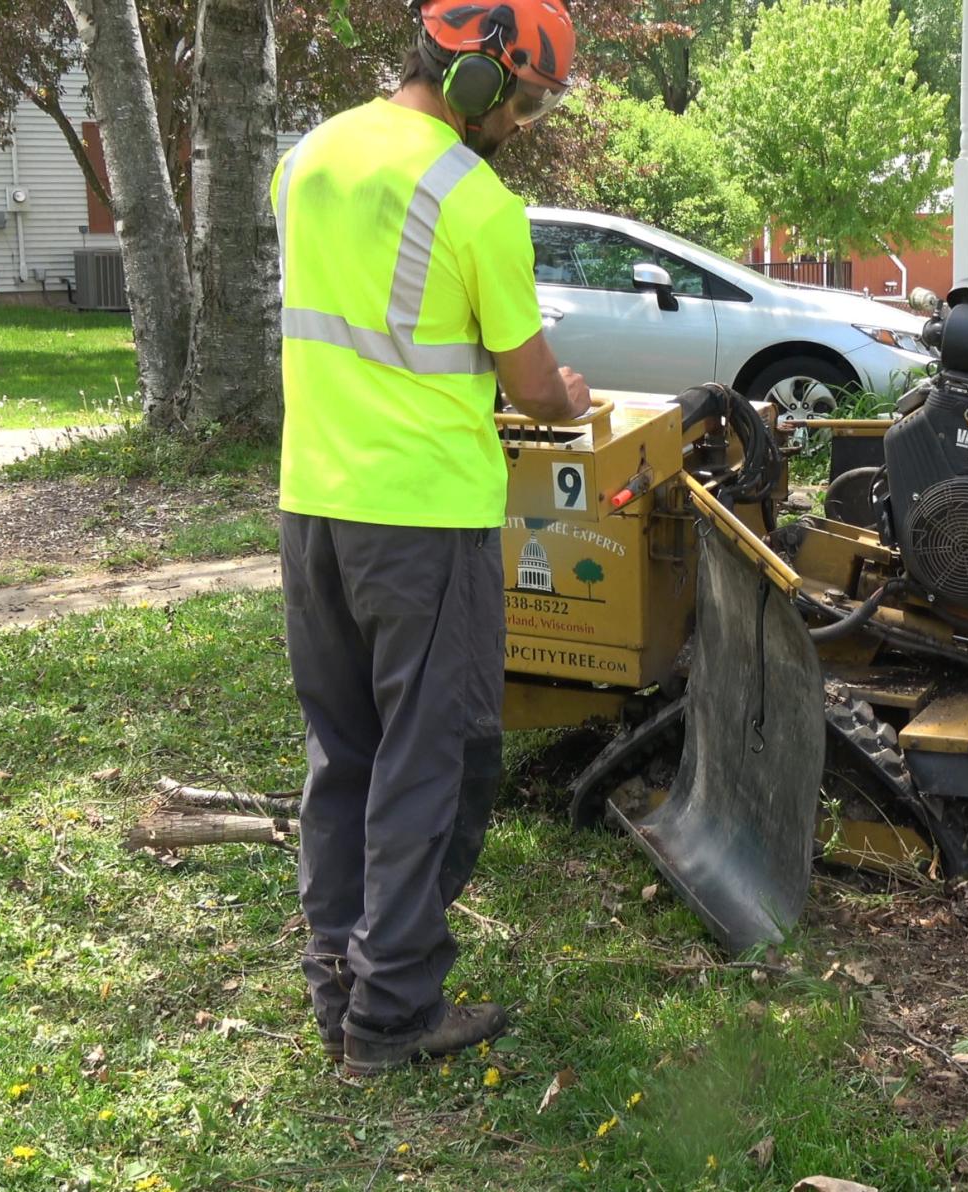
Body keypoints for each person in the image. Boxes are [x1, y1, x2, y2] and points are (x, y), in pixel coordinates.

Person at [269, 0, 592, 1078]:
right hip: (422, 521)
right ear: (475, 81)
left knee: (344, 752)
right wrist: (566, 397)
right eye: (528, 100)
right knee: (433, 759)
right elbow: (532, 382)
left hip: (313, 503)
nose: (528, 121)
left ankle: (339, 981)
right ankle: (393, 1010)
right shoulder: (472, 198)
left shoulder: (307, 159)